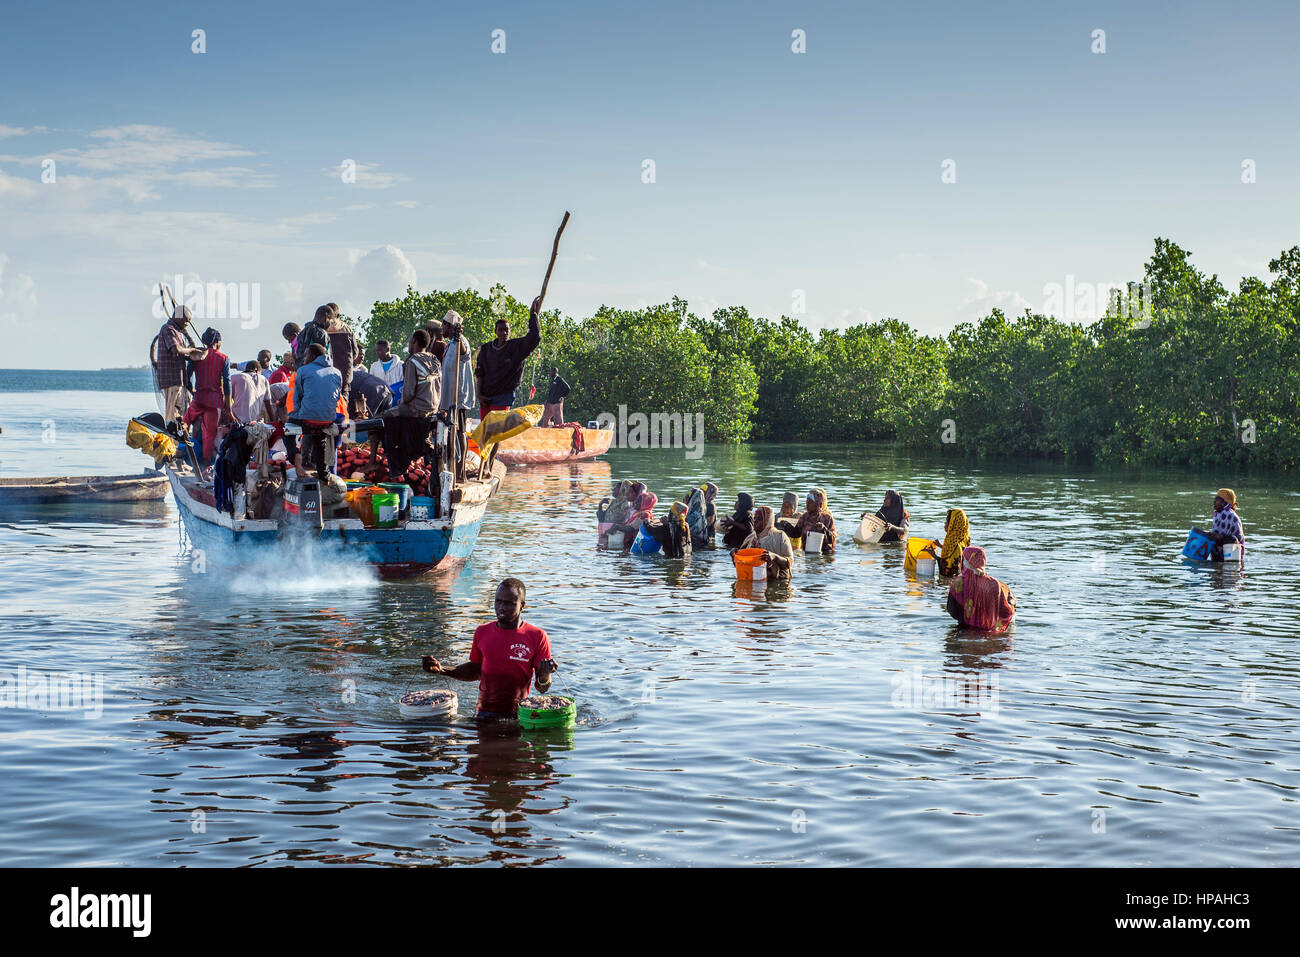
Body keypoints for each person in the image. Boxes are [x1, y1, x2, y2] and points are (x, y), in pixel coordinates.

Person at [420, 578, 558, 722]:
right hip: (483, 714)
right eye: (498, 601)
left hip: (516, 717)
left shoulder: (537, 636)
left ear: (522, 605)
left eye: (509, 603)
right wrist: (442, 670)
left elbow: (542, 688)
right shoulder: (482, 631)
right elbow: (475, 670)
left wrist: (544, 675)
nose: (501, 607)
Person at [475, 296, 542, 420]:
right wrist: (479, 394)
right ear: (495, 331)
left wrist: (533, 315)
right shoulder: (486, 349)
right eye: (500, 330)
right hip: (486, 396)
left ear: (510, 331)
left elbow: (534, 337)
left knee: (498, 430)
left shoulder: (516, 347)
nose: (504, 333)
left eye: (506, 330)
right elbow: (480, 373)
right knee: (485, 431)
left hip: (503, 396)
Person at [182, 327, 233, 470]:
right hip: (214, 401)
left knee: (184, 424)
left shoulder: (197, 355)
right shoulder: (223, 358)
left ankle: (181, 451)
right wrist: (228, 408)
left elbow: (187, 377)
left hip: (198, 398)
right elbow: (227, 383)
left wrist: (192, 391)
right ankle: (205, 465)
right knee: (209, 435)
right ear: (217, 342)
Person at [290, 343, 343, 478]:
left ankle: (296, 460)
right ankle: (323, 475)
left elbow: (297, 398)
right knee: (320, 440)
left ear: (313, 356)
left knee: (286, 428)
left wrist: (299, 412)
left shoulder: (303, 370)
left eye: (306, 355)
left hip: (308, 419)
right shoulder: (337, 372)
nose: (304, 358)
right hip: (328, 419)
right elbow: (336, 398)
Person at [152, 304, 208, 426]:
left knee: (180, 413)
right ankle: (172, 442)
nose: (187, 324)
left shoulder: (177, 331)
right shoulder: (168, 329)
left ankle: (178, 441)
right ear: (179, 317)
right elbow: (176, 349)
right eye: (186, 321)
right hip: (172, 380)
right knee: (172, 415)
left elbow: (179, 353)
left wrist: (193, 355)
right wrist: (191, 350)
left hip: (178, 380)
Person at [439, 310, 478, 479]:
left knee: (460, 432)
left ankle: (460, 471)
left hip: (459, 397)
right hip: (449, 398)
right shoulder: (449, 345)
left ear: (449, 326)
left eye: (444, 325)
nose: (442, 328)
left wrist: (458, 336)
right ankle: (454, 467)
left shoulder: (461, 341)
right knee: (452, 432)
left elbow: (463, 353)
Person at [946, 546, 1016, 632]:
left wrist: (969, 617)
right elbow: (1005, 613)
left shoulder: (958, 582)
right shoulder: (994, 583)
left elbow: (952, 610)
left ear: (966, 561)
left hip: (964, 631)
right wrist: (1012, 603)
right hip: (989, 634)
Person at [737, 505, 794, 579]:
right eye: (755, 518)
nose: (755, 521)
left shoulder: (780, 536)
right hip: (754, 578)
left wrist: (775, 557)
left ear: (767, 521)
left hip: (777, 581)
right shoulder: (751, 537)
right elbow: (741, 562)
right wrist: (735, 554)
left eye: (759, 519)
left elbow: (789, 562)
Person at [1195, 488, 1245, 560]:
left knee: (1230, 539)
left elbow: (1226, 537)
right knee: (1212, 540)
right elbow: (1217, 534)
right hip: (1222, 551)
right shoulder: (1218, 514)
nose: (1214, 502)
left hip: (1233, 553)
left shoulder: (1229, 514)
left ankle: (1230, 567)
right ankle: (1216, 566)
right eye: (1214, 499)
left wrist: (1216, 537)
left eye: (1217, 500)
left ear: (1224, 502)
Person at [347, 348, 393, 420]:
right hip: (386, 389)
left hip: (373, 393)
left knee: (367, 423)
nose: (362, 356)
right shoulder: (350, 371)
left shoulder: (344, 375)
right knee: (383, 422)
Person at [326, 308, 357, 407]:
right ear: (337, 315)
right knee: (343, 403)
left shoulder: (323, 329)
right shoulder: (347, 328)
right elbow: (355, 353)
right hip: (345, 374)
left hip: (327, 374)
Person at [230, 359, 272, 424]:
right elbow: (268, 404)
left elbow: (228, 397)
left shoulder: (235, 377)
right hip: (254, 423)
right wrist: (274, 422)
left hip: (236, 421)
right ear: (256, 370)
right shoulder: (264, 379)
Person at [795, 488, 836, 553]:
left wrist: (823, 529)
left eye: (810, 502)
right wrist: (786, 526)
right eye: (807, 502)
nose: (807, 504)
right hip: (807, 552)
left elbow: (832, 539)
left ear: (818, 504)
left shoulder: (827, 518)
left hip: (825, 554)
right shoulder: (804, 517)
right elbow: (796, 533)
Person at [685, 482, 720, 549]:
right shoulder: (699, 505)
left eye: (705, 490)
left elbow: (708, 523)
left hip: (707, 537)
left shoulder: (710, 505)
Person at [938, 508, 970, 577]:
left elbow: (949, 569)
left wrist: (933, 555)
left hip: (953, 581)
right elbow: (953, 554)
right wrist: (940, 546)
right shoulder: (963, 538)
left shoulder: (953, 541)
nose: (944, 523)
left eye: (947, 521)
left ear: (953, 523)